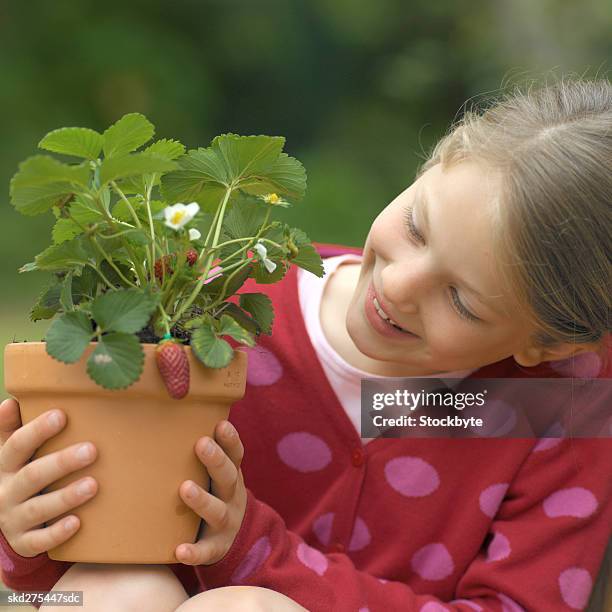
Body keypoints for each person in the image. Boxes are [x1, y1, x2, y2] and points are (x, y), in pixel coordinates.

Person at [1, 77, 610, 611]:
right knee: (118, 595)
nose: (397, 287)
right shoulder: (198, 305)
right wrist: (18, 543)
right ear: (429, 167)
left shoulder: (560, 405)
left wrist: (257, 558)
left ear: (548, 344)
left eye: (462, 302)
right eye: (417, 227)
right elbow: (35, 598)